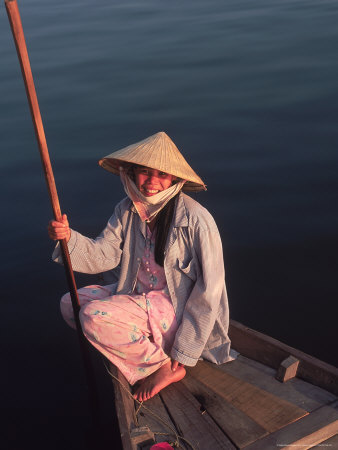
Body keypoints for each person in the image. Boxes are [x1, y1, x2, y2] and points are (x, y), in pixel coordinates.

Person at [48, 131, 232, 402]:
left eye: (162, 174)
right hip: (137, 296)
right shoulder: (127, 209)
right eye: (144, 172)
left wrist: (184, 352)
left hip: (175, 312)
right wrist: (67, 237)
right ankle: (132, 347)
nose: (152, 182)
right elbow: (104, 255)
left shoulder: (197, 221)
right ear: (131, 174)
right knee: (70, 303)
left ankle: (160, 366)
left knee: (92, 316)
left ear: (175, 180)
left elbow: (209, 292)